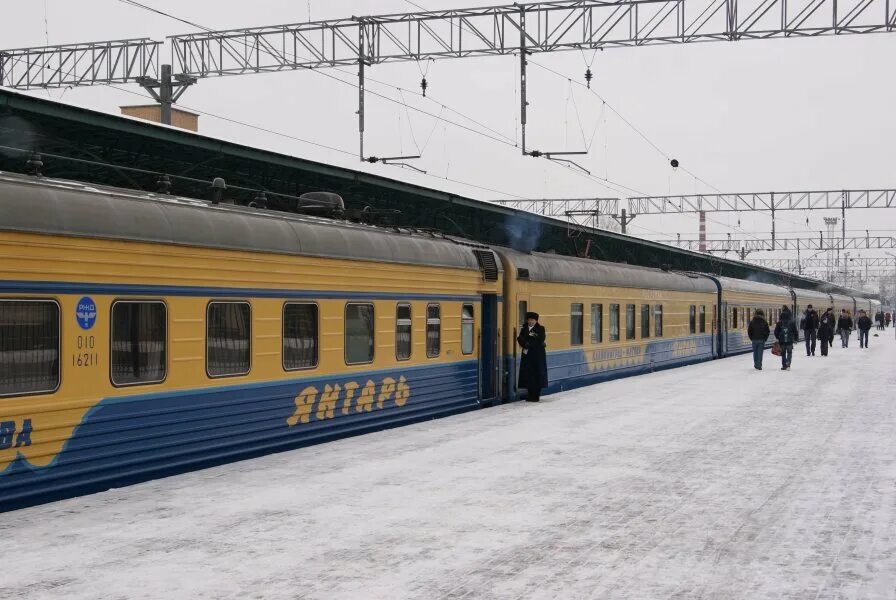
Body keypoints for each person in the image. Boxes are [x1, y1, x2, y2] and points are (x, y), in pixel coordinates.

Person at [517, 311, 548, 402]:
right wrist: (525, 343)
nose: (530, 321)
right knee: (528, 375)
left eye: (532, 320)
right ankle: (530, 394)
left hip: (538, 356)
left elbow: (540, 339)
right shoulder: (524, 328)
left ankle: (536, 395)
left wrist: (528, 343)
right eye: (529, 320)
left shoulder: (541, 328)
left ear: (536, 321)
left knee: (537, 375)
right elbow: (520, 338)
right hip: (527, 356)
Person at [774, 305, 798, 370]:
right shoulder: (792, 323)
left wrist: (778, 338)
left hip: (782, 341)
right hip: (790, 341)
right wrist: (795, 339)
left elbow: (776, 332)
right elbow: (795, 331)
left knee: (783, 353)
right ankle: (788, 364)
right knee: (789, 353)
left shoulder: (779, 323)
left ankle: (784, 365)